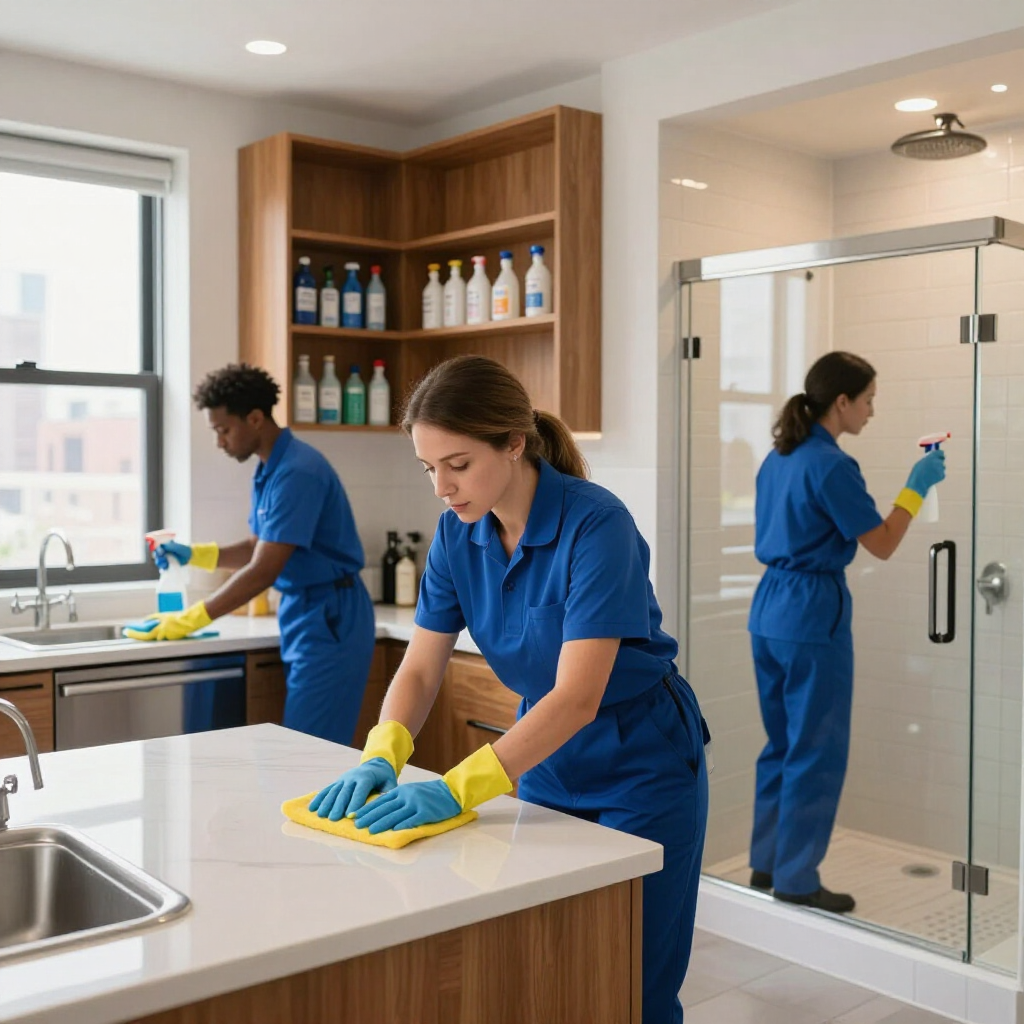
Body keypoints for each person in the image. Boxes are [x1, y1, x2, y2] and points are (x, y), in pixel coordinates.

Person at [308, 355, 709, 1024]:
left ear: (513, 443)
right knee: (549, 963)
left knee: (633, 982)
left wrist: (456, 788)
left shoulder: (595, 525)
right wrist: (384, 752)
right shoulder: (456, 535)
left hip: (642, 760)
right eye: (428, 467)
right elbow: (419, 668)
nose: (441, 487)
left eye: (457, 464)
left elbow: (579, 696)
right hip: (546, 761)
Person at [747, 351, 946, 913]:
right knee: (817, 747)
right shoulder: (831, 465)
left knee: (781, 742)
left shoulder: (778, 457)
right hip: (811, 612)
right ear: (842, 402)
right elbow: (881, 543)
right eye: (869, 400)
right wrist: (916, 485)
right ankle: (797, 876)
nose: (872, 411)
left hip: (768, 609)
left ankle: (766, 861)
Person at [125, 363, 376, 747]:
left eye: (224, 430)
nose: (219, 442)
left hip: (332, 615)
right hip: (304, 612)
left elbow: (264, 569)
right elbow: (258, 546)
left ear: (255, 418)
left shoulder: (297, 472)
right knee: (301, 748)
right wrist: (193, 554)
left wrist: (190, 619)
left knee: (310, 751)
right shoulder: (270, 469)